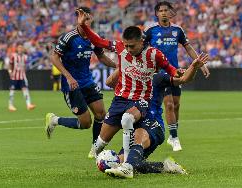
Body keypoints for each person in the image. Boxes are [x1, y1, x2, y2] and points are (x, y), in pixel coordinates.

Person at [76, 9, 182, 162]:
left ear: (141, 41)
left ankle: (127, 164)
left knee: (127, 120)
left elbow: (171, 69)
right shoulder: (120, 48)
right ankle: (104, 160)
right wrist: (84, 27)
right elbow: (99, 42)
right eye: (126, 46)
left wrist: (178, 73)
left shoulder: (154, 54)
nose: (128, 50)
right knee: (99, 145)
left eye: (131, 46)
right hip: (120, 100)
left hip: (141, 100)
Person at [104, 53, 209, 178]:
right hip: (137, 125)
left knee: (137, 141)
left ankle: (128, 170)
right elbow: (109, 82)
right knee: (123, 162)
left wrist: (193, 66)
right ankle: (165, 166)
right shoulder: (130, 77)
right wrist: (123, 65)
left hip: (153, 125)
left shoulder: (158, 77)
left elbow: (183, 79)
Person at [45, 7, 116, 159]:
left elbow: (101, 57)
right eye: (84, 17)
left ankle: (95, 149)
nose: (87, 21)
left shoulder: (94, 37)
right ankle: (55, 120)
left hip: (87, 81)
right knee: (85, 123)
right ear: (79, 19)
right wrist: (69, 77)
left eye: (89, 18)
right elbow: (54, 57)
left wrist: (118, 66)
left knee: (101, 114)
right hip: (71, 84)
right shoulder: (69, 37)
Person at [144, 1, 210, 151]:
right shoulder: (150, 30)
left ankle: (173, 134)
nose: (164, 13)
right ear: (156, 14)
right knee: (168, 104)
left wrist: (202, 64)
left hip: (175, 72)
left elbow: (188, 47)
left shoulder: (177, 30)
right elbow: (140, 47)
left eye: (166, 10)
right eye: (160, 11)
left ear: (170, 12)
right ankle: (174, 138)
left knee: (176, 104)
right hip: (160, 74)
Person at [8, 44, 36, 112]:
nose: (20, 49)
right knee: (12, 90)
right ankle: (10, 105)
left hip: (22, 76)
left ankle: (28, 105)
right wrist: (10, 72)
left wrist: (24, 72)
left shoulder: (25, 57)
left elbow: (25, 66)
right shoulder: (14, 56)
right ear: (17, 49)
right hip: (14, 76)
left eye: (21, 48)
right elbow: (10, 64)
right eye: (19, 48)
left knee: (25, 90)